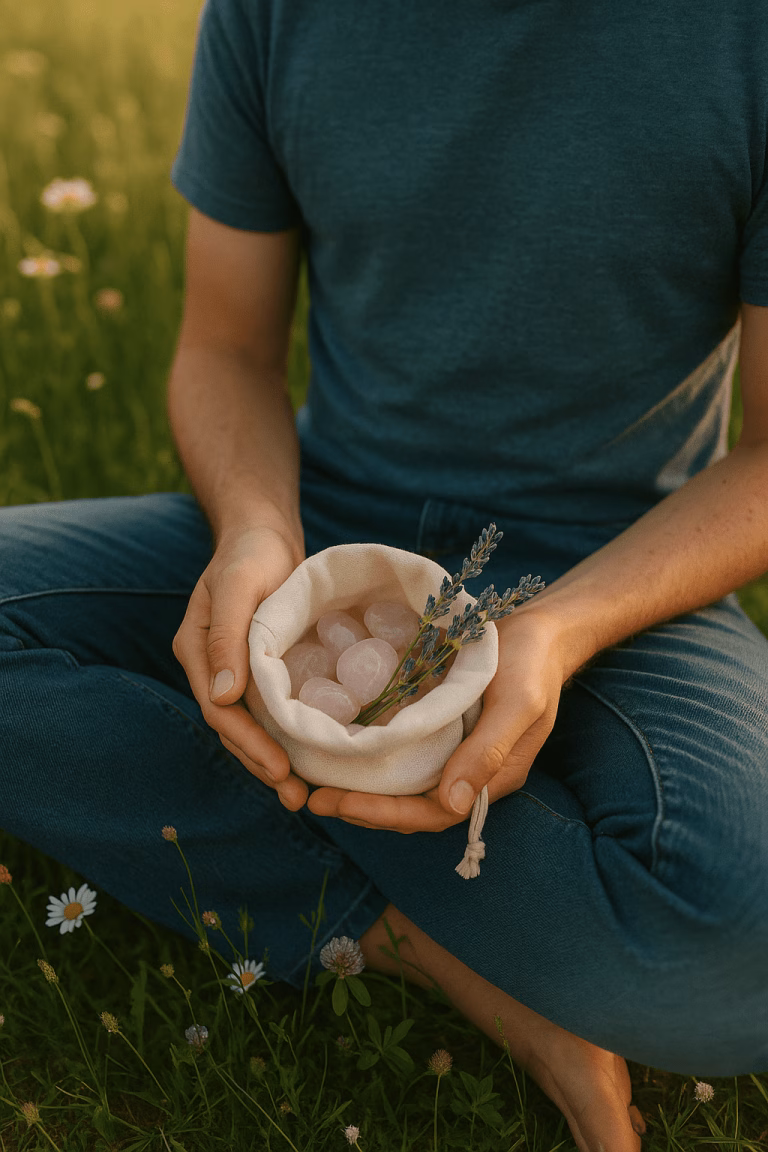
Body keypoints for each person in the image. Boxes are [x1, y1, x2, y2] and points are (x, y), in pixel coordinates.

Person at [3, 2, 768, 1148]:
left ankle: (255, 787)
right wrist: (256, 531)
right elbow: (225, 348)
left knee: (740, 958)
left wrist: (558, 632)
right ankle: (438, 948)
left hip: (619, 571)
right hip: (327, 526)